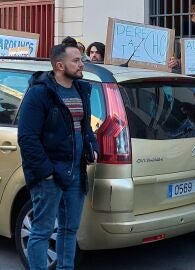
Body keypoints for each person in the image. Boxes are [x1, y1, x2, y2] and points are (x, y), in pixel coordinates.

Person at [17, 36, 99, 269]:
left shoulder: (82, 89)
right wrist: (47, 173)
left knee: (69, 230)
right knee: (42, 231)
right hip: (49, 175)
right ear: (60, 66)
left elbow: (84, 128)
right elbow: (28, 138)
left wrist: (92, 146)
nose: (82, 64)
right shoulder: (39, 93)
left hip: (76, 172)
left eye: (81, 59)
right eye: (76, 61)